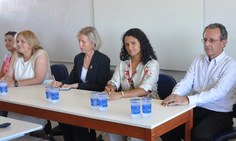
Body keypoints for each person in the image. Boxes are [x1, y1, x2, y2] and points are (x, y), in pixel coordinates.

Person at [161, 23, 236, 141]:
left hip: (220, 113)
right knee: (166, 127)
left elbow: (218, 93)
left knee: (199, 135)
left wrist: (187, 99)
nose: (207, 44)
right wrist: (175, 95)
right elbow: (186, 82)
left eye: (212, 40)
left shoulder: (231, 65)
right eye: (205, 40)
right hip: (197, 107)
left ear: (224, 42)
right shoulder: (198, 60)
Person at [52, 26, 110, 141]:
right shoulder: (78, 58)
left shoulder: (103, 60)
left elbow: (101, 86)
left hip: (93, 101)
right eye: (79, 41)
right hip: (77, 99)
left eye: (83, 42)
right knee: (63, 118)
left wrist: (78, 85)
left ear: (93, 42)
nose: (80, 45)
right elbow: (72, 78)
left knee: (76, 124)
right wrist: (60, 83)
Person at [104, 28, 159, 141]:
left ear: (141, 44)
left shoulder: (152, 64)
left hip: (147, 108)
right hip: (125, 106)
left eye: (133, 43)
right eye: (127, 44)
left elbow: (144, 89)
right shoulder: (123, 64)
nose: (129, 47)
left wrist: (120, 94)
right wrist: (110, 88)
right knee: (112, 130)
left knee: (135, 136)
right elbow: (114, 82)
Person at [4, 30, 51, 125]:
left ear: (31, 42)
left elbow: (39, 79)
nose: (19, 44)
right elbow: (9, 75)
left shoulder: (40, 54)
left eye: (22, 41)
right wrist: (7, 80)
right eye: (17, 41)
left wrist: (14, 83)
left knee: (24, 125)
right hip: (19, 95)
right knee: (12, 124)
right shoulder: (16, 54)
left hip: (38, 97)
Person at [0, 31, 17, 117]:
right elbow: (1, 73)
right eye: (5, 40)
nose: (7, 43)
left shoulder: (20, 56)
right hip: (4, 85)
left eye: (10, 40)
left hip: (13, 87)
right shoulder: (7, 54)